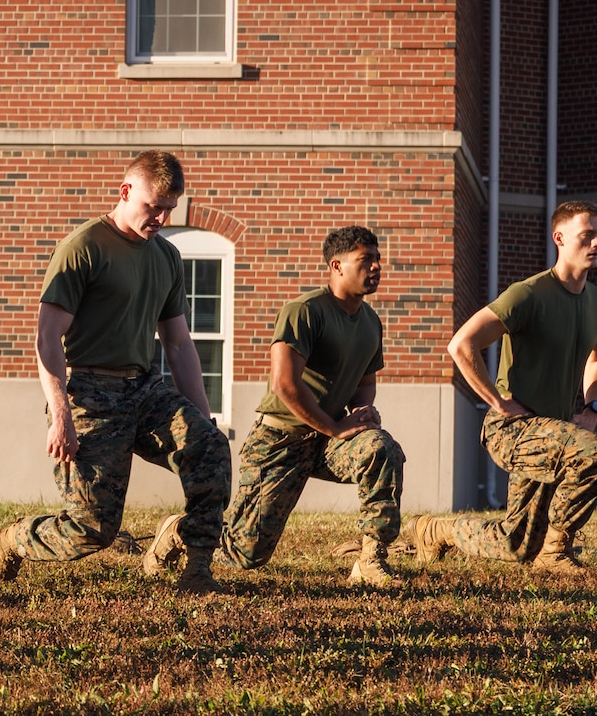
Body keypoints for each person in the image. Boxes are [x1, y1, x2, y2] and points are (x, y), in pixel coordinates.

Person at [0, 150, 231, 594]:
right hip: (89, 393)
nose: (162, 217)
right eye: (154, 207)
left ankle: (197, 571)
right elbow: (46, 337)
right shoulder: (84, 247)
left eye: (170, 208)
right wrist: (61, 415)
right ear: (126, 191)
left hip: (145, 389)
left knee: (209, 449)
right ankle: (6, 542)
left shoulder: (166, 257)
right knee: (91, 528)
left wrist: (202, 415)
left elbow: (178, 342)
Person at [143, 225, 407, 588]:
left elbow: (364, 380)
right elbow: (285, 385)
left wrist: (360, 414)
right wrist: (335, 427)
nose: (376, 266)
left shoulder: (370, 322)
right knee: (245, 553)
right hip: (281, 438)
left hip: (328, 438)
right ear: (337, 265)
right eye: (366, 260)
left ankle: (371, 560)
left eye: (378, 259)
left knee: (382, 449)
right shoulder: (305, 311)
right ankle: (178, 531)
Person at [407, 200, 597, 572]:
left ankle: (435, 530)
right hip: (514, 429)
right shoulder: (529, 294)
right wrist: (496, 401)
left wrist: (592, 410)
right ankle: (555, 554)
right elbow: (461, 344)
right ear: (560, 238)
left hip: (557, 431)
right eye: (587, 235)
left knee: (516, 544)